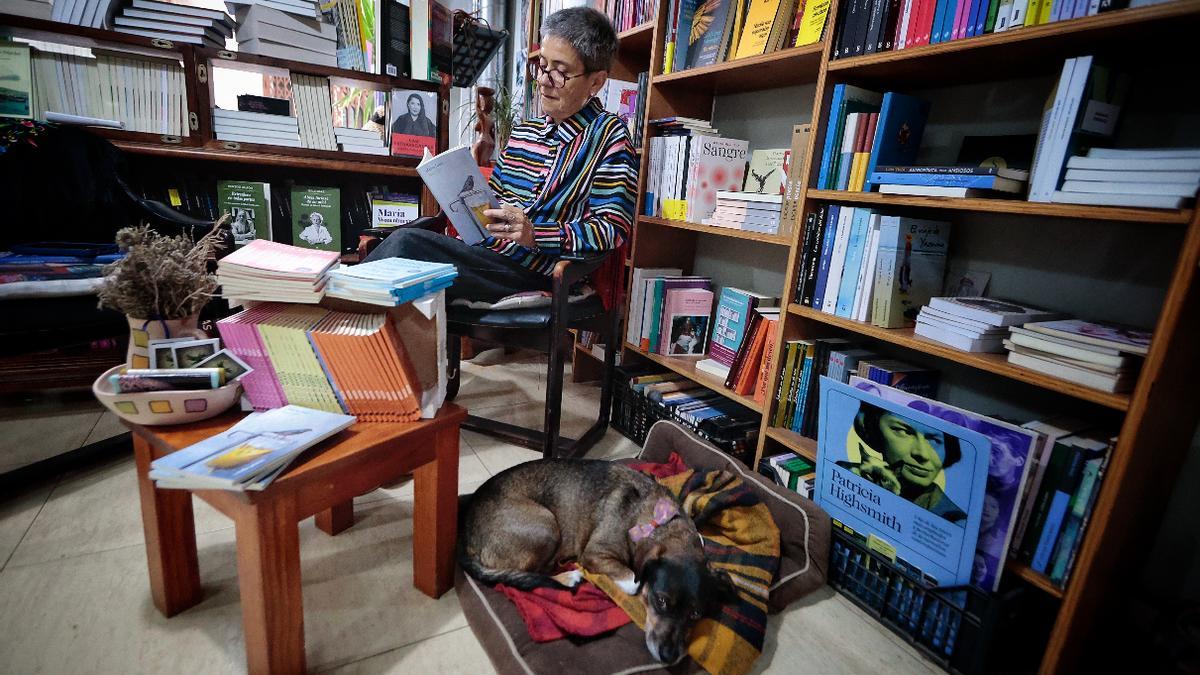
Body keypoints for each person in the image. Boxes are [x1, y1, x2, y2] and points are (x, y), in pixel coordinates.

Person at [365, 7, 638, 303]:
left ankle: (339, 310)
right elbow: (491, 202)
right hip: (484, 254)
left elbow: (611, 229)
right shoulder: (524, 132)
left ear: (596, 82)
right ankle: (351, 317)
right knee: (396, 248)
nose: (543, 80)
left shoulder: (610, 136)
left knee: (407, 246)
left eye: (560, 72)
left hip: (533, 269)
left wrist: (535, 233)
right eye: (542, 66)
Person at [840, 403, 967, 524]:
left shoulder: (954, 519)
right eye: (903, 431)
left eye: (934, 440)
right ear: (874, 430)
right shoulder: (843, 473)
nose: (922, 454)